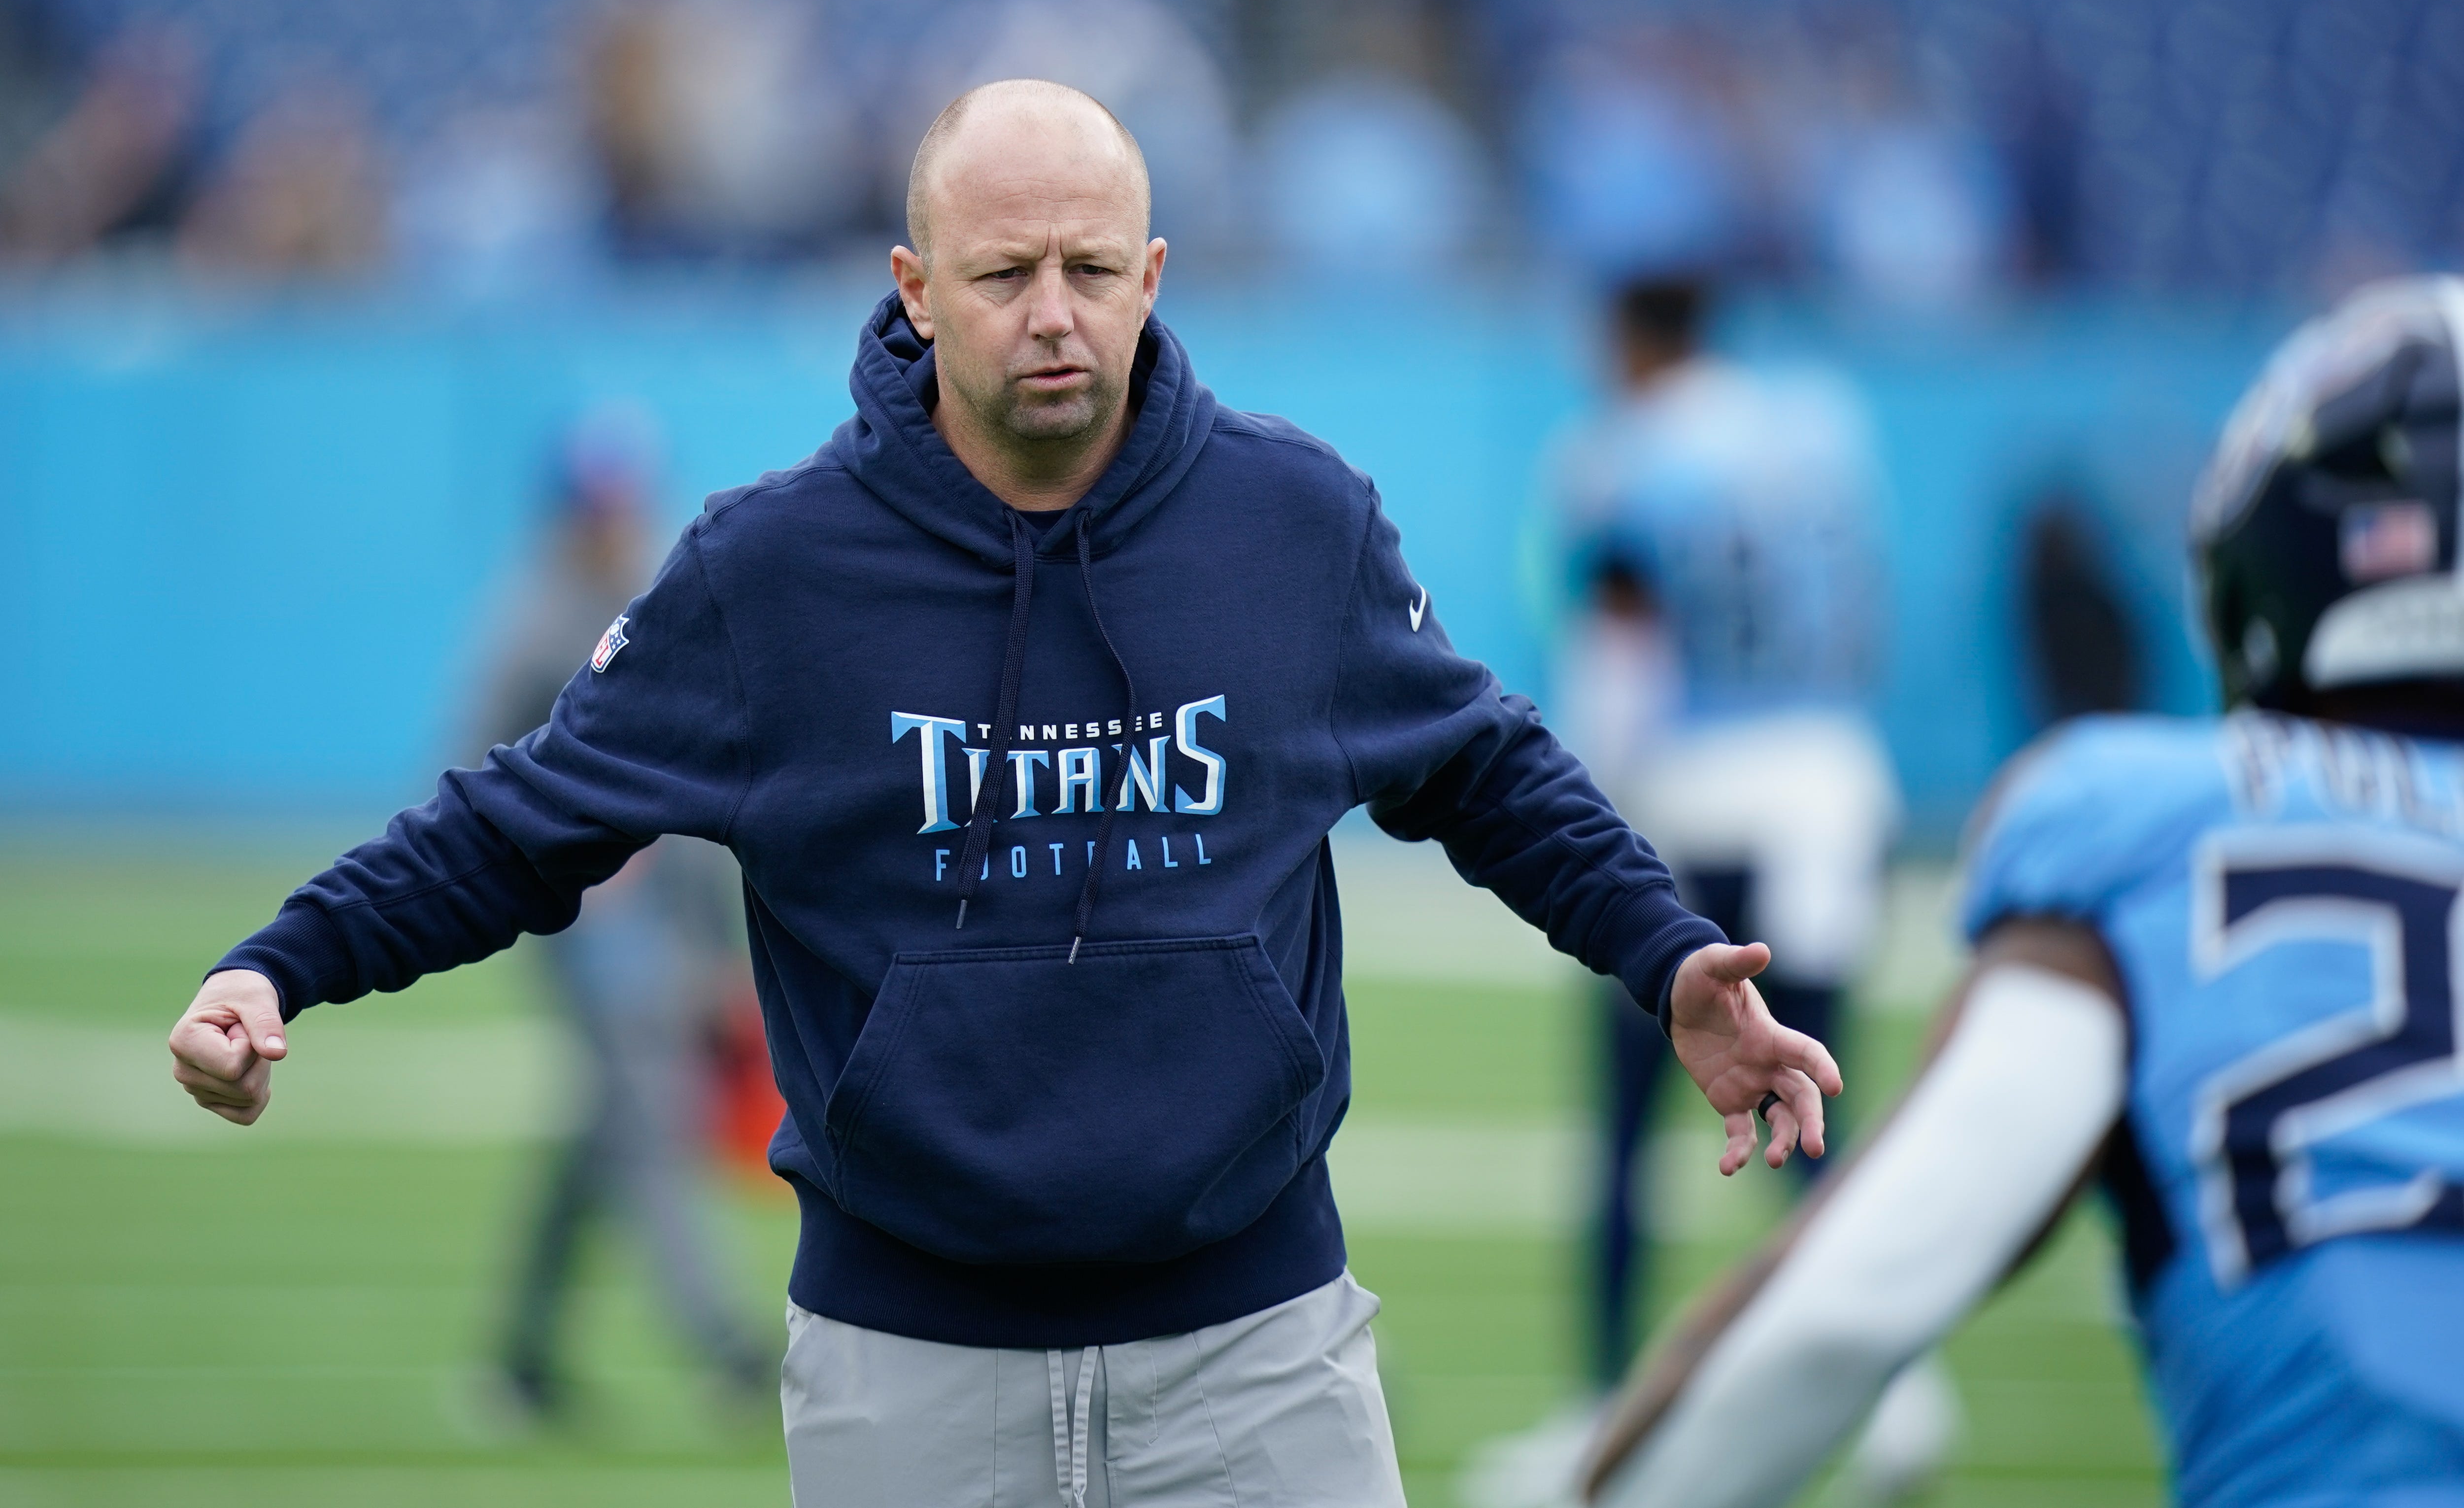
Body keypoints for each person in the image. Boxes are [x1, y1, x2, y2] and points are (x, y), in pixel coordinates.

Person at [166, 79, 1841, 1508]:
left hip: (1260, 1357)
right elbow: (520, 822)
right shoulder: (772, 575)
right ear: (913, 287)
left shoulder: (1292, 524)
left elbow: (1485, 767)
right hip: (908, 1373)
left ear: (1155, 275)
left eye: (1094, 269)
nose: (1055, 311)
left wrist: (1665, 951)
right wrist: (282, 960)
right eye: (1006, 271)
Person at [1582, 274, 2464, 1508]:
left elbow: (1841, 1311)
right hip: (1820, 784)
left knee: (1700, 1113)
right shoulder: (1805, 431)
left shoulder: (2146, 823)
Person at [1469, 276, 1924, 1508]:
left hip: (1698, 799)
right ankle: (1896, 1401)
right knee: (1816, 1117)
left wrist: (1587, 825)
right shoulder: (1817, 427)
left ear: (1626, 341)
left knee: (1627, 1124)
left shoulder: (1617, 455)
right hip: (1830, 786)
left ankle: (1600, 1411)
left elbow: (1620, 652)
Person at [473, 405, 772, 1417]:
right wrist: (566, 869)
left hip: (669, 912)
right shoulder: (531, 628)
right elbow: (479, 783)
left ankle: (517, 1356)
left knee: (611, 1124)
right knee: (649, 1108)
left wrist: (719, 944)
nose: (610, 519)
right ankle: (721, 1340)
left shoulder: (658, 595)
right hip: (588, 914)